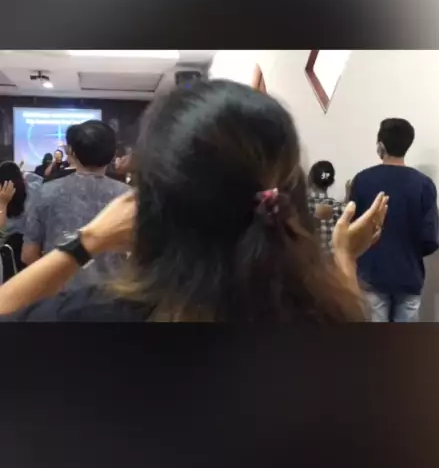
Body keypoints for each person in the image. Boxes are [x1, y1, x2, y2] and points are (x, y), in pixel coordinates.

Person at [0, 80, 388, 321]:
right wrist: (344, 258)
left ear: (150, 204)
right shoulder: (320, 313)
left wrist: (87, 242)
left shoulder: (91, 315)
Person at [21, 119, 130, 290]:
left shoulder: (45, 192)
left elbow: (28, 255)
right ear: (113, 153)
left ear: (71, 152)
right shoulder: (128, 197)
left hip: (58, 296)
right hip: (114, 296)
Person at [349, 118, 439, 322]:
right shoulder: (424, 184)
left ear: (380, 145)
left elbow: (352, 231)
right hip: (409, 275)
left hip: (371, 275)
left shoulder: (362, 180)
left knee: (375, 340)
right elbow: (430, 239)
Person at [308, 160, 346, 252]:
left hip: (307, 258)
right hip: (331, 259)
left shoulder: (301, 206)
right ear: (331, 181)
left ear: (310, 179)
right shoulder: (339, 209)